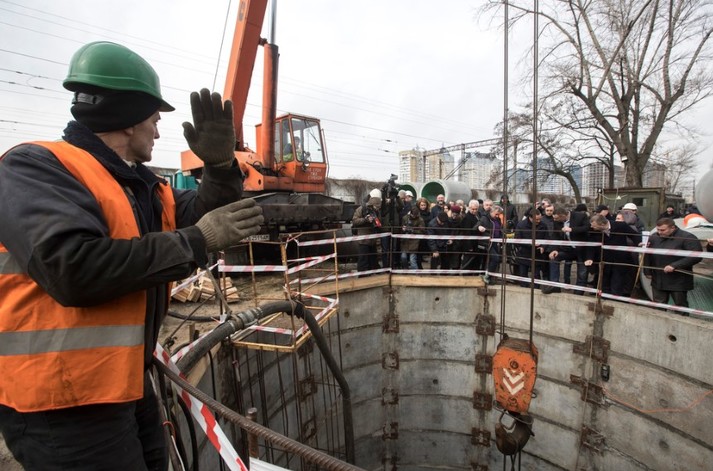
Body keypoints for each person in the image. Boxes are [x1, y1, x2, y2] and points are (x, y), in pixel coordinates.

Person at [0, 41, 264, 471]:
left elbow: (207, 215)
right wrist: (196, 241)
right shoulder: (36, 167)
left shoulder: (144, 187)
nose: (158, 132)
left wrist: (219, 168)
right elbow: (71, 268)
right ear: (128, 118)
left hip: (122, 382)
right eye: (154, 119)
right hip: (61, 402)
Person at [644, 218, 703, 310]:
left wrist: (675, 265)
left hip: (678, 279)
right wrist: (647, 270)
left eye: (663, 230)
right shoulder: (654, 237)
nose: (659, 232)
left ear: (672, 228)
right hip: (658, 278)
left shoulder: (687, 237)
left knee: (680, 306)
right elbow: (648, 254)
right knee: (658, 305)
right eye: (658, 230)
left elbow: (696, 256)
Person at [584, 214, 641, 296]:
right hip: (605, 260)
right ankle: (605, 299)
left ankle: (615, 299)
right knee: (604, 283)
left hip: (620, 259)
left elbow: (634, 235)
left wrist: (639, 243)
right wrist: (589, 258)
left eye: (594, 226)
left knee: (617, 283)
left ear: (602, 224)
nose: (592, 227)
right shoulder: (594, 231)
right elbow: (591, 246)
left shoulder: (621, 226)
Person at [543, 206, 590, 294]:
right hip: (568, 249)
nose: (554, 220)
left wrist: (572, 229)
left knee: (582, 272)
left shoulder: (580, 216)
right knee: (554, 258)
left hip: (582, 249)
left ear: (563, 216)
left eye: (556, 218)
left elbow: (587, 227)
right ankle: (555, 286)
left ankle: (578, 293)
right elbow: (555, 236)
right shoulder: (557, 221)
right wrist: (555, 250)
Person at [351, 192, 382, 273]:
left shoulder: (376, 211)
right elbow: (355, 221)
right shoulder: (361, 209)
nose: (377, 209)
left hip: (372, 240)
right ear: (372, 204)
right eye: (376, 207)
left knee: (373, 259)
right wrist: (365, 220)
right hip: (364, 239)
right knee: (363, 259)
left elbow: (378, 221)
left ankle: (373, 272)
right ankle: (362, 274)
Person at [477, 205, 505, 281]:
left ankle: (491, 278)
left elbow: (499, 230)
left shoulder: (498, 219)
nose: (497, 216)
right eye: (496, 214)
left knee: (496, 260)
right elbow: (476, 227)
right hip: (487, 243)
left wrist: (503, 236)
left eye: (498, 214)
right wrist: (479, 227)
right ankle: (487, 276)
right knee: (495, 258)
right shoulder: (484, 218)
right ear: (491, 212)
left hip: (496, 243)